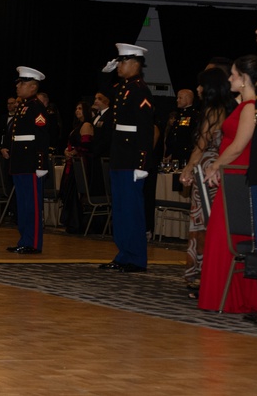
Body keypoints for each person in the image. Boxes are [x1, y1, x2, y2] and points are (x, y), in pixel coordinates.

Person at [198, 54, 257, 313]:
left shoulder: (249, 107)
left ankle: (231, 298)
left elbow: (237, 146)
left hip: (237, 174)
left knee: (228, 234)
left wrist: (215, 165)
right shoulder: (243, 104)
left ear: (244, 79)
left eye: (233, 74)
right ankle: (227, 296)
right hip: (232, 174)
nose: (230, 78)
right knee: (223, 234)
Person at [178, 67, 235, 296]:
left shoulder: (213, 111)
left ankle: (203, 278)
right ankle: (214, 278)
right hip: (222, 170)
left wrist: (188, 168)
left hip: (208, 171)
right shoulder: (231, 108)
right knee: (215, 225)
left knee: (203, 226)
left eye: (201, 85)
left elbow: (201, 146)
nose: (198, 89)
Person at [99, 44, 154, 273]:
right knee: (120, 209)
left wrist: (142, 163)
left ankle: (136, 258)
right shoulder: (124, 88)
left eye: (122, 62)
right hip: (120, 155)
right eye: (118, 62)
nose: (119, 66)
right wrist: (106, 73)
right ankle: (123, 254)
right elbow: (103, 95)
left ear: (135, 64)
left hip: (131, 158)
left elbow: (145, 129)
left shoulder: (141, 90)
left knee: (132, 209)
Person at [4, 67, 50, 254]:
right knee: (22, 204)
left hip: (31, 163)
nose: (18, 86)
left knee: (31, 205)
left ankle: (33, 242)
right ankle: (24, 239)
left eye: (22, 83)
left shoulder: (37, 107)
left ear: (33, 87)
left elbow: (42, 137)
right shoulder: (23, 107)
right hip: (20, 162)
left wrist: (40, 164)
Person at [58, 101, 94, 234]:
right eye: (76, 108)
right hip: (72, 162)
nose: (77, 111)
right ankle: (70, 222)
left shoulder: (87, 125)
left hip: (80, 164)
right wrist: (66, 152)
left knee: (75, 193)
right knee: (69, 192)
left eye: (80, 108)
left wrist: (73, 152)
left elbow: (86, 146)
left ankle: (75, 224)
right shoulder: (77, 126)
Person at [164, 89, 197, 165]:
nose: (177, 100)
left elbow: (187, 136)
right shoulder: (179, 114)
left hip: (184, 155)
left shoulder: (193, 115)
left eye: (180, 98)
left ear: (188, 99)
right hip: (174, 154)